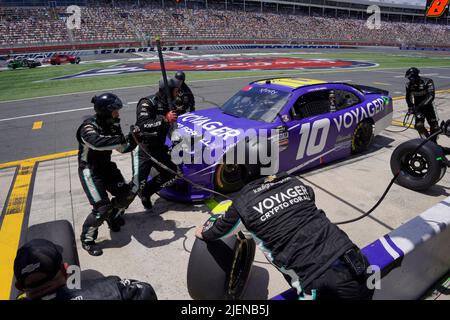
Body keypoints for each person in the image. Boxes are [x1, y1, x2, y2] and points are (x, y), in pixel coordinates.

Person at [196, 172, 374, 300]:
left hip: (321, 282)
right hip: (359, 263)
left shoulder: (243, 204)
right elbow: (310, 195)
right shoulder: (292, 180)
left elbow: (214, 232)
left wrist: (202, 231)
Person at [77, 93, 137, 256]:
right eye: (115, 111)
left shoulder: (113, 124)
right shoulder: (88, 127)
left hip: (107, 167)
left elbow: (122, 148)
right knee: (101, 207)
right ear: (105, 111)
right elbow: (96, 143)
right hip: (90, 170)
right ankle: (87, 239)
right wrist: (125, 139)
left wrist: (135, 140)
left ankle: (113, 216)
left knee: (127, 194)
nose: (118, 114)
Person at [14, 239, 157, 300]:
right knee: (90, 274)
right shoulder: (112, 289)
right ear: (66, 270)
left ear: (19, 287)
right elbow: (145, 291)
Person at [131, 77, 180, 210]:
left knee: (172, 174)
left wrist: (176, 138)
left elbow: (171, 127)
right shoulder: (147, 103)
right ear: (168, 91)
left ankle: (146, 193)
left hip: (159, 149)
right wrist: (165, 119)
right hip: (143, 149)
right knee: (136, 186)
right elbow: (142, 124)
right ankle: (115, 211)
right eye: (176, 91)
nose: (178, 94)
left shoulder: (171, 106)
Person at [405, 67, 440, 143]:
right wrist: (410, 107)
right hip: (418, 109)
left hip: (429, 107)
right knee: (419, 126)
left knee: (435, 127)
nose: (409, 79)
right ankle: (427, 142)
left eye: (410, 77)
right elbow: (408, 97)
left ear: (415, 76)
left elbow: (431, 96)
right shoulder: (408, 85)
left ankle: (434, 143)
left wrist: (418, 107)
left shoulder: (428, 81)